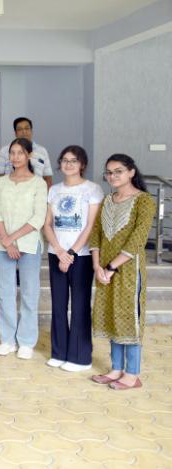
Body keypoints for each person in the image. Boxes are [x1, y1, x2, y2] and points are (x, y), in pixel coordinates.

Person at [89, 154, 155, 390]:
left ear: (131, 172)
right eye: (109, 172)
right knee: (111, 316)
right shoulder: (108, 200)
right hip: (105, 270)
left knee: (129, 319)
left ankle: (132, 374)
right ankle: (116, 369)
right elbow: (95, 234)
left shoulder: (144, 201)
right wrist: (97, 265)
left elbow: (138, 239)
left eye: (118, 171)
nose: (113, 176)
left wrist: (110, 266)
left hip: (127, 271)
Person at [42, 145, 103, 371]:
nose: (68, 164)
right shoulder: (54, 190)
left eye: (74, 160)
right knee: (58, 305)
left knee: (79, 305)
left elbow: (90, 226)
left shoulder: (93, 189)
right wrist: (58, 250)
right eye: (65, 160)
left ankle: (80, 357)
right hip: (56, 253)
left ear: (82, 164)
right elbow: (47, 223)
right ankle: (59, 352)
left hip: (82, 256)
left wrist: (71, 253)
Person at [0, 138, 48, 360]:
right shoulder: (2, 182)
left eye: (20, 153)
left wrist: (13, 239)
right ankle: (7, 340)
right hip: (2, 243)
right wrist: (6, 239)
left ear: (29, 155)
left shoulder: (38, 183)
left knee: (29, 293)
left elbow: (38, 217)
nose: (15, 157)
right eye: (12, 153)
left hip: (29, 244)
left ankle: (26, 341)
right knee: (4, 293)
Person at [0, 117, 53, 188]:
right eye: (20, 129)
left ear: (31, 131)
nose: (24, 132)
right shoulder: (4, 151)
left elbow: (48, 178)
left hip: (36, 194)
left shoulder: (42, 151)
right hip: (11, 194)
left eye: (27, 128)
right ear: (15, 133)